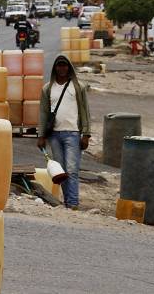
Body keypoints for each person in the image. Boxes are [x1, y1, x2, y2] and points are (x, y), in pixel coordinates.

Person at [37, 54, 91, 210]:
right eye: (59, 65)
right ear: (55, 68)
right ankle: (68, 203)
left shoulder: (78, 87)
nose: (62, 68)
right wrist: (41, 136)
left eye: (65, 65)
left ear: (69, 67)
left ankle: (73, 203)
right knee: (62, 173)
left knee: (72, 170)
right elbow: (43, 113)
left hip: (73, 134)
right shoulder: (48, 88)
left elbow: (85, 111)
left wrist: (86, 134)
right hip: (54, 136)